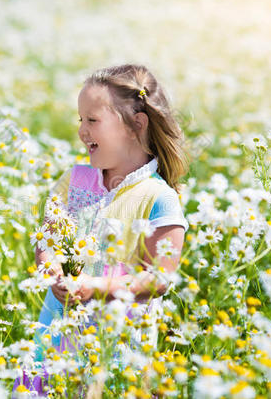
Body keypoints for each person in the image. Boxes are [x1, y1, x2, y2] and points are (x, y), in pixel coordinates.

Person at [13, 63, 189, 396]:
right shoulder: (74, 180)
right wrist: (52, 270)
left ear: (136, 125)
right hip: (58, 329)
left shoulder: (159, 197)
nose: (83, 131)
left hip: (118, 341)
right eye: (81, 120)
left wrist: (97, 286)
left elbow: (158, 278)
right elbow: (47, 240)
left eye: (93, 121)